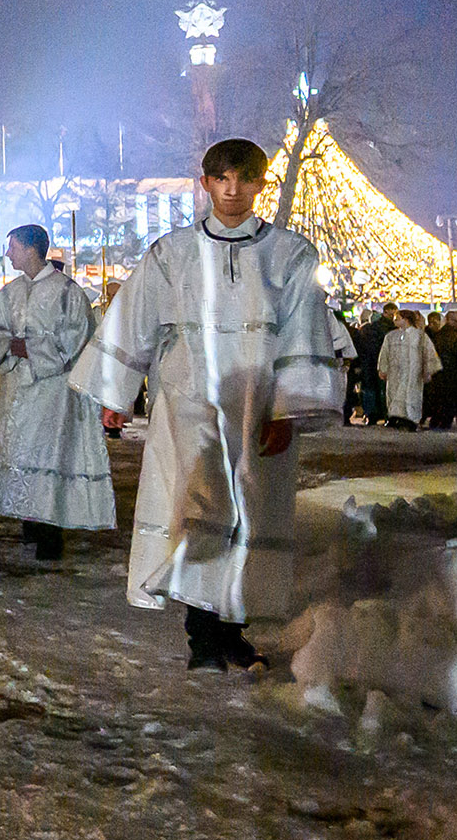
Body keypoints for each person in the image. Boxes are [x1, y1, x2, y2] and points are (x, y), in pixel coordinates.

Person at [69, 138, 343, 671]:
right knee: (194, 507)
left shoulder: (290, 254)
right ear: (206, 184)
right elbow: (136, 318)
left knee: (252, 510)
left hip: (257, 406)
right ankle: (202, 635)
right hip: (187, 404)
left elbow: (303, 331)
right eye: (221, 178)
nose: (233, 190)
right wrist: (116, 394)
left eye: (244, 179)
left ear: (262, 184)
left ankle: (233, 625)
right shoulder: (172, 253)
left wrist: (290, 407)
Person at [0, 225, 116, 559]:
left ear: (30, 249)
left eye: (12, 247)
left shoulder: (68, 292)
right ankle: (29, 526)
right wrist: (8, 347)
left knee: (49, 457)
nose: (8, 253)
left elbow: (77, 339)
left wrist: (30, 349)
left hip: (54, 391)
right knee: (19, 454)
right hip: (17, 388)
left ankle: (50, 535)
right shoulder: (9, 292)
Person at [379, 308, 441, 430]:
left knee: (411, 394)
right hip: (395, 372)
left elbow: (428, 353)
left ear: (406, 319)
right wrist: (383, 369)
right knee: (394, 393)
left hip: (413, 371)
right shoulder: (391, 336)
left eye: (398, 318)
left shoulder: (420, 336)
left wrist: (428, 370)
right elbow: (384, 353)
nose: (395, 321)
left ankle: (411, 419)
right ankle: (394, 417)